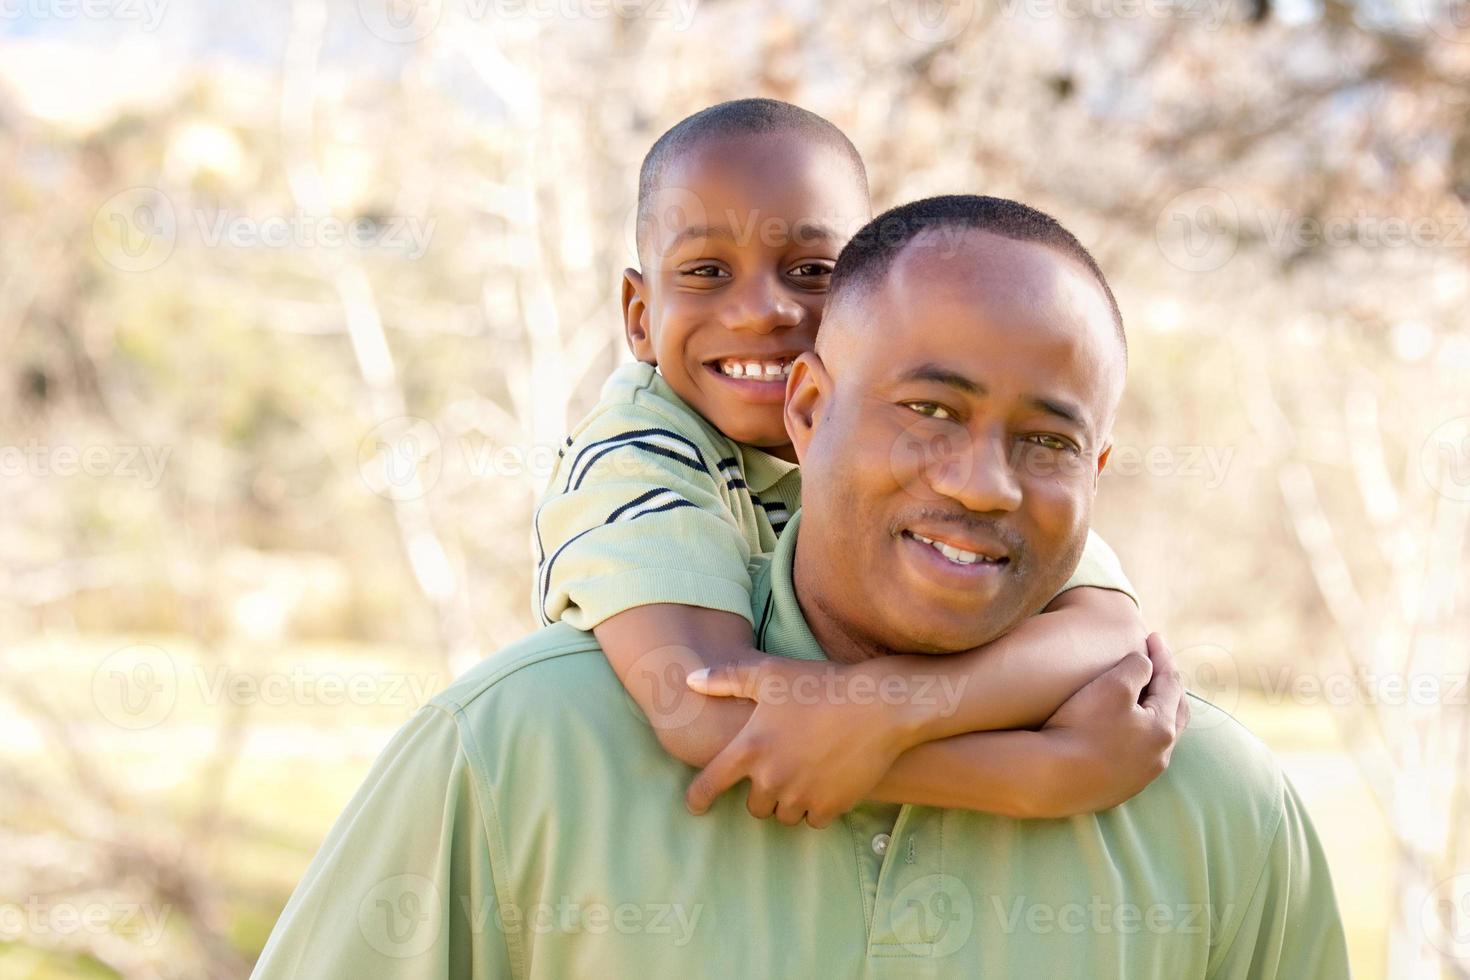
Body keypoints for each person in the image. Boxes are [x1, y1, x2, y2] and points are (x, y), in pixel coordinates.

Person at [251, 195, 1350, 979]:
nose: (984, 483)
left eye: (1046, 440)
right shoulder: (514, 750)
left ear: (1096, 473)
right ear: (810, 409)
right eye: (929, 409)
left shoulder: (1217, 803)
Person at [537, 98, 1164, 824]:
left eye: (810, 270)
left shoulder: (915, 442)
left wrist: (891, 709)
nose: (761, 311)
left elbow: (1107, 630)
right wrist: (1042, 776)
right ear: (640, 317)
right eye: (707, 271)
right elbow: (707, 709)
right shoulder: (633, 455)